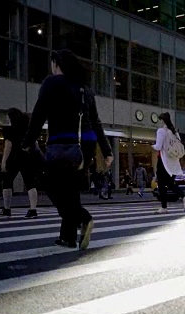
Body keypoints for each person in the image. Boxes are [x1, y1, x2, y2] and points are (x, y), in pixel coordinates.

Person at [23, 49, 113, 250]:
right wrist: (107, 151)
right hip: (85, 145)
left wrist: (28, 141)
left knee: (51, 184)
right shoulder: (85, 89)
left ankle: (83, 217)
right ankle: (68, 237)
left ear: (56, 63)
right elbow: (96, 122)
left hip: (63, 142)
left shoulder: (52, 82)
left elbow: (39, 114)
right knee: (70, 189)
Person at [0, 108, 40, 218]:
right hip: (27, 156)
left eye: (8, 116)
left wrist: (3, 161)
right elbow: (35, 143)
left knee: (7, 181)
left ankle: (7, 209)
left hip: (13, 157)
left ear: (11, 117)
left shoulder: (8, 129)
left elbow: (8, 146)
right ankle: (33, 209)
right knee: (30, 183)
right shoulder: (27, 128)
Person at [152, 112, 185, 213]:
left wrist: (152, 146)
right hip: (174, 162)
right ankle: (184, 196)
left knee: (161, 184)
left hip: (163, 161)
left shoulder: (161, 131)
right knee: (170, 183)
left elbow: (158, 147)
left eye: (159, 120)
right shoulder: (174, 132)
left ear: (162, 121)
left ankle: (164, 207)